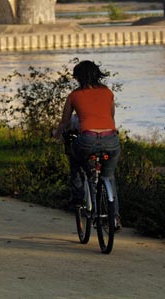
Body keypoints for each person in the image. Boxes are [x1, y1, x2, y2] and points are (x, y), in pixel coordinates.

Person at [54, 60, 122, 231]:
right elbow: (111, 117)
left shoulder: (74, 95)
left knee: (75, 158)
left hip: (87, 140)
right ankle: (114, 217)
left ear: (77, 77)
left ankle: (77, 197)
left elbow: (65, 122)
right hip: (111, 140)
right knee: (108, 176)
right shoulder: (107, 92)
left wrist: (56, 136)